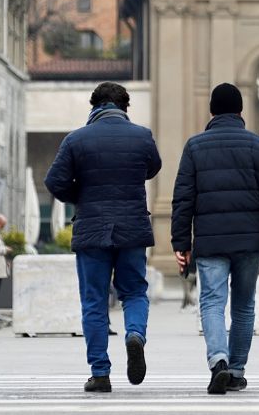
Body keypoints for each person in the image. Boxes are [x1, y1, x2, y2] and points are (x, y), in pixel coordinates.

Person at [171, 83, 259, 395]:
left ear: (211, 111)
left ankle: (219, 362)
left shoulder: (195, 146)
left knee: (212, 301)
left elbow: (182, 199)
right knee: (243, 304)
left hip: (210, 241)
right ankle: (237, 370)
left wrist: (180, 244)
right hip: (249, 241)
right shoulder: (258, 145)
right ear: (241, 111)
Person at [45, 82, 162, 393]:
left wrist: (81, 194)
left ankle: (100, 373)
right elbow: (153, 168)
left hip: (92, 230)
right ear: (125, 107)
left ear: (93, 106)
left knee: (94, 302)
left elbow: (54, 181)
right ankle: (135, 334)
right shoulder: (142, 136)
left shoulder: (76, 139)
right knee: (134, 292)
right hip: (132, 228)